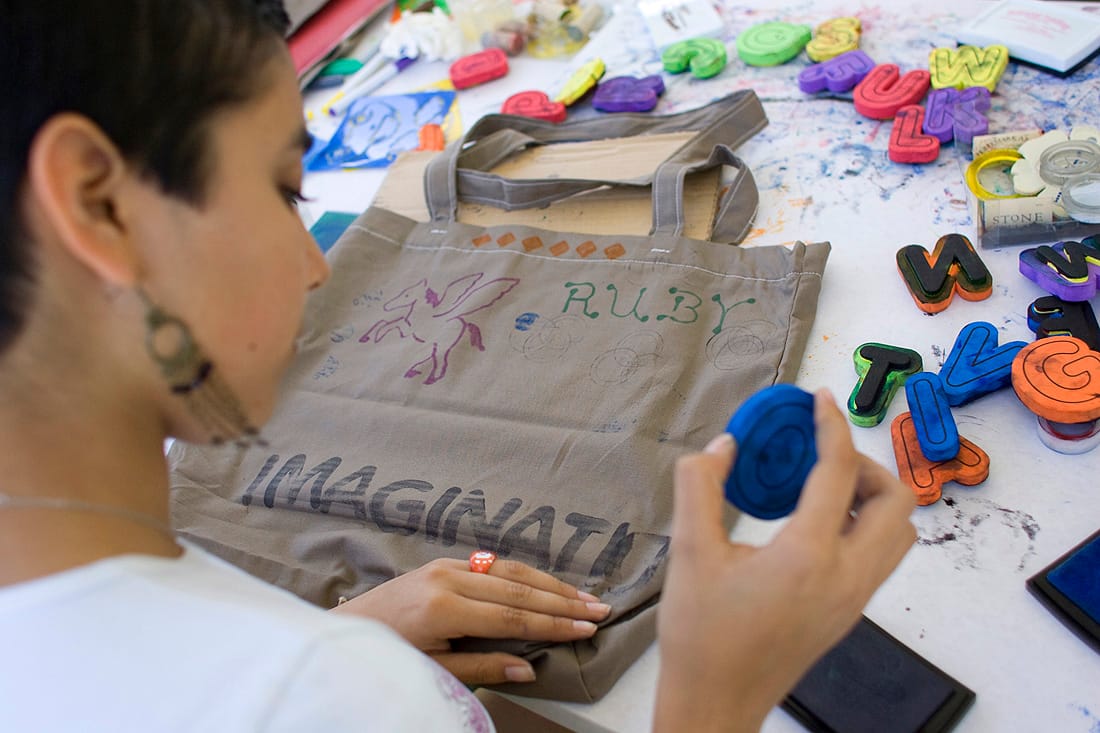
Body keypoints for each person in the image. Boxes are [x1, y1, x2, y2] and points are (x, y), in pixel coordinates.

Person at [0, 1, 916, 731]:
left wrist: (344, 634)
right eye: (285, 192)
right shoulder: (325, 696)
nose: (318, 263)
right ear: (98, 205)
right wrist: (713, 694)